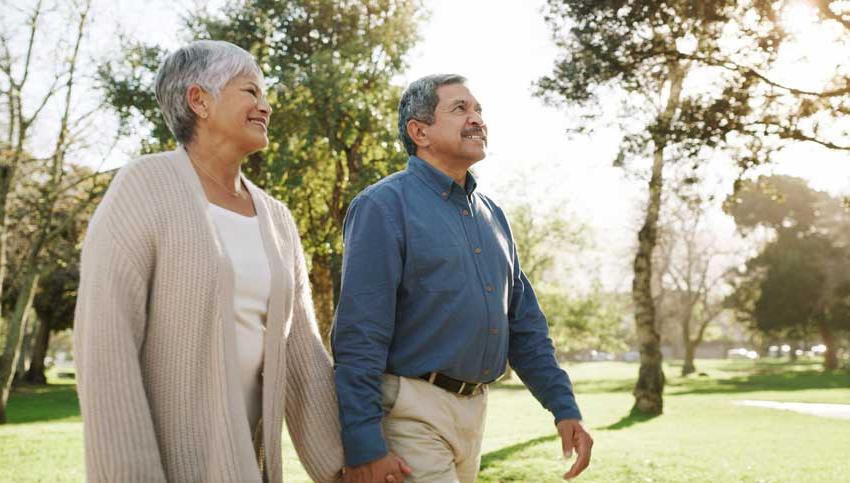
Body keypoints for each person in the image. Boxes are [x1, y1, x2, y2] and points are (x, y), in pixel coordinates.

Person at [74, 40, 344, 482]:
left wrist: (344, 465)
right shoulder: (144, 186)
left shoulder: (276, 216)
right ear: (199, 100)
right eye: (251, 92)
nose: (266, 107)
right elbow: (105, 342)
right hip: (169, 466)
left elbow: (302, 354)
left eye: (265, 94)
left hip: (250, 465)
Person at [332, 74, 593, 483]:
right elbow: (359, 332)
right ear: (419, 132)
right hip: (409, 413)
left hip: (475, 412)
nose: (477, 119)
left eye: (478, 110)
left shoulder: (494, 215)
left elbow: (523, 324)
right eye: (460, 109)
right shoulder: (382, 207)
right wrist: (365, 445)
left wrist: (564, 406)